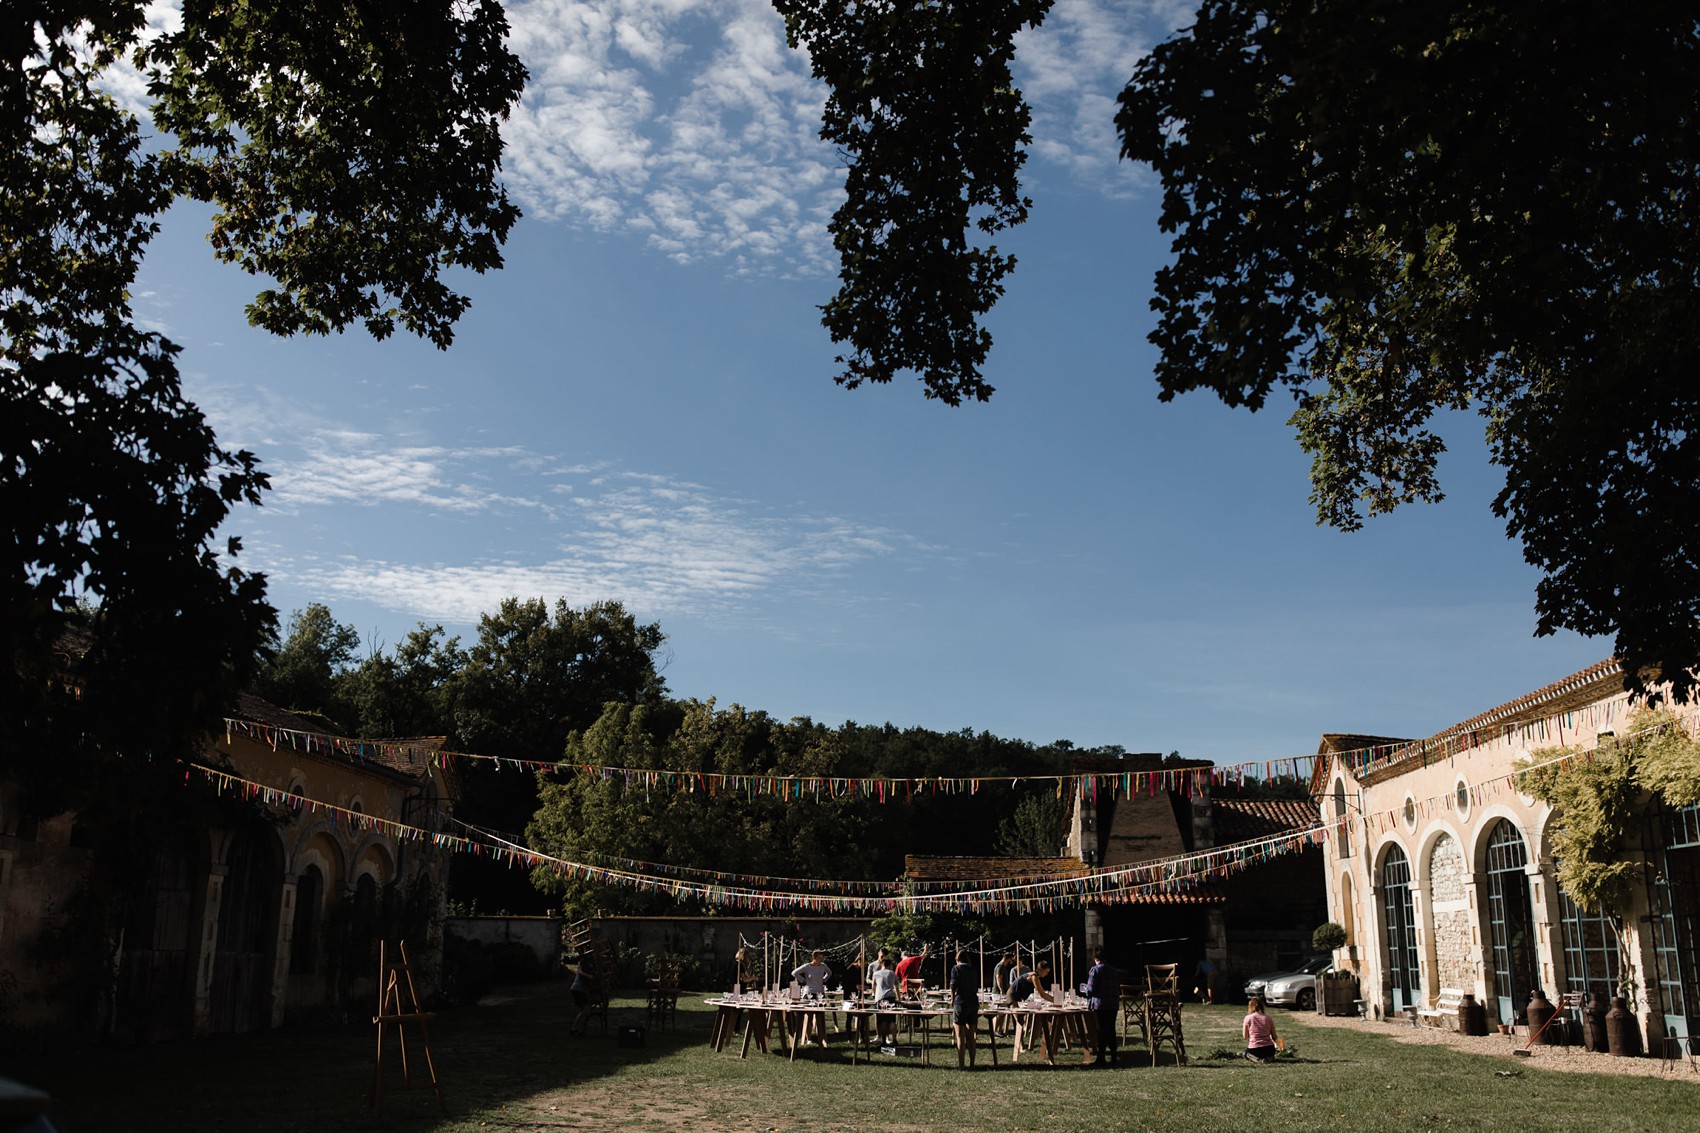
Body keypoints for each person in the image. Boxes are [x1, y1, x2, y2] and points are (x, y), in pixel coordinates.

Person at [1008, 958, 1057, 1064]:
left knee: (1025, 1020)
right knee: (1019, 1021)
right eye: (1046, 972)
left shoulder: (1035, 976)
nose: (1046, 974)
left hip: (1018, 996)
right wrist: (1055, 1000)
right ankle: (1020, 1047)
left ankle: (1024, 1044)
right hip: (1012, 994)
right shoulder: (1034, 977)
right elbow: (1042, 993)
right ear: (1040, 969)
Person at [1081, 946, 1120, 1067]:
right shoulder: (1113, 970)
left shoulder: (1095, 970)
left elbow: (1091, 989)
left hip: (1100, 1005)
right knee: (1111, 1029)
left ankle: (1101, 1057)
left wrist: (1085, 989)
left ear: (1095, 957)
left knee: (1101, 1031)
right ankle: (1113, 1055)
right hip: (1112, 1004)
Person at [948, 949, 981, 1068]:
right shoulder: (973, 970)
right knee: (971, 1035)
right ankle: (972, 1063)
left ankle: (961, 1064)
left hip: (961, 1002)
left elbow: (953, 986)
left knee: (960, 1035)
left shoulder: (956, 969)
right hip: (973, 1002)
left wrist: (952, 999)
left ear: (957, 959)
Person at [868, 953, 900, 1047]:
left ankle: (883, 1040)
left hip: (880, 998)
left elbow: (873, 987)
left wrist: (874, 995)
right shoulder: (893, 974)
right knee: (892, 1020)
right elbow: (897, 988)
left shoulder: (876, 974)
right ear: (889, 965)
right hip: (890, 998)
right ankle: (894, 1039)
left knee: (882, 1020)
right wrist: (899, 999)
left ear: (882, 964)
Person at [1244, 996, 1280, 1061]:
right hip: (1269, 1048)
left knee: (1247, 1054)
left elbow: (1245, 1036)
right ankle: (1268, 1058)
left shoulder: (1248, 1018)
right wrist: (1279, 1046)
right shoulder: (1268, 1018)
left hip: (1254, 1048)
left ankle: (1257, 1059)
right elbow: (1274, 1037)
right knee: (1270, 1054)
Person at [569, 963, 595, 1036]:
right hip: (578, 989)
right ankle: (578, 1030)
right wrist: (589, 976)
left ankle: (575, 1028)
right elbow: (579, 972)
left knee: (585, 1011)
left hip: (580, 990)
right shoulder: (584, 962)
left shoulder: (591, 965)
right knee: (586, 1010)